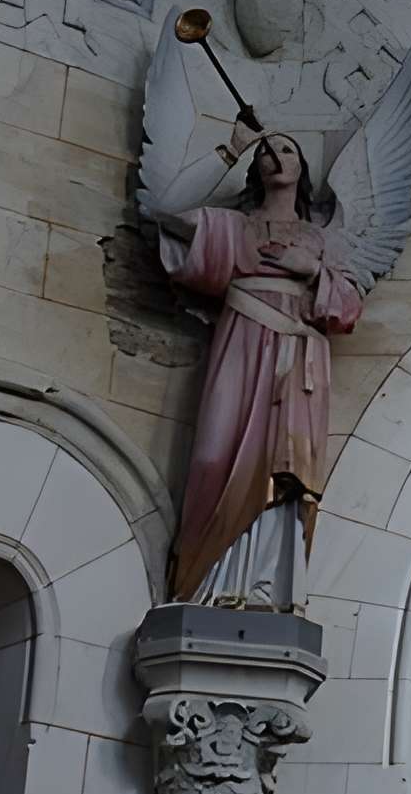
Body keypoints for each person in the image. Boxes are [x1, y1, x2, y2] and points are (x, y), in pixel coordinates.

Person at [150, 117, 364, 611]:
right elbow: (166, 212)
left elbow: (349, 306)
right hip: (240, 346)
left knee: (283, 466)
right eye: (265, 152)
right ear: (255, 168)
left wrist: (312, 271)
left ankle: (265, 585)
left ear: (301, 168)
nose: (275, 156)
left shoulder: (322, 240)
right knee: (211, 457)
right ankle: (201, 586)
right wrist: (229, 150)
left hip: (297, 359)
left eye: (287, 150)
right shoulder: (235, 227)